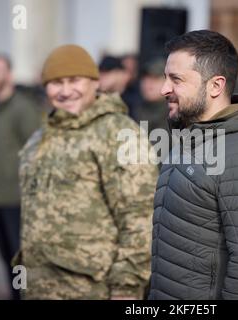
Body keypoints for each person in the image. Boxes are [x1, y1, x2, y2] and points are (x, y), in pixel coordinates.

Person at [149, 30, 238, 300]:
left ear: (215, 86)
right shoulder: (187, 140)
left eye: (176, 79)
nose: (164, 89)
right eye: (165, 77)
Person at [16, 44, 158, 299]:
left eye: (74, 80)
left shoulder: (119, 134)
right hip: (39, 287)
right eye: (56, 82)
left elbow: (141, 219)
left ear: (95, 83)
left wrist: (126, 289)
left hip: (95, 289)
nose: (66, 91)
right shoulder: (40, 138)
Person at [0, 53, 42, 299]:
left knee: (20, 259)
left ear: (9, 75)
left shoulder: (23, 108)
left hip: (16, 199)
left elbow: (36, 151)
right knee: (6, 257)